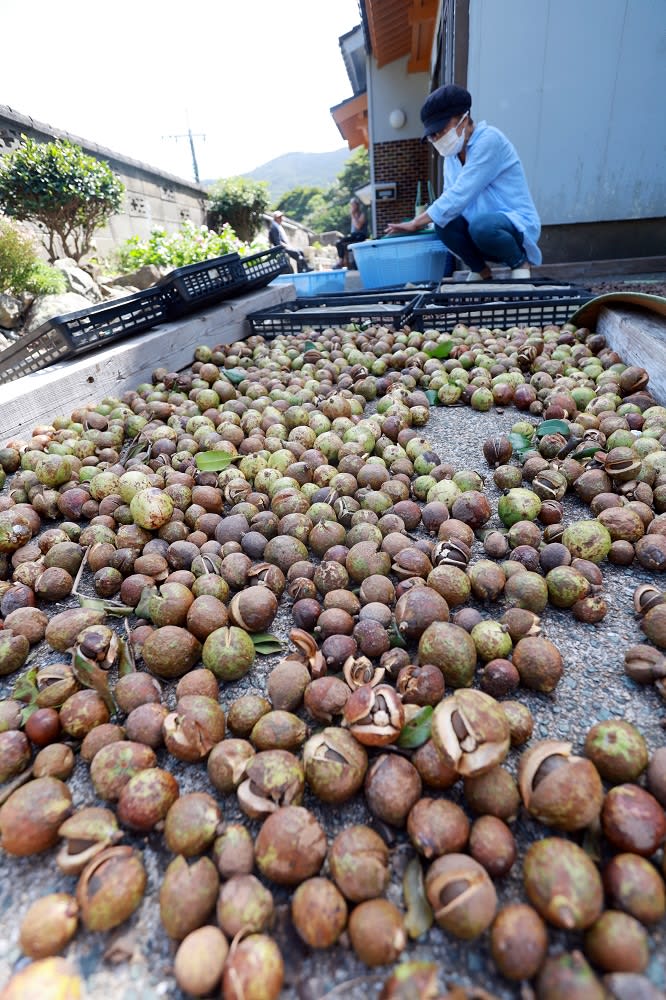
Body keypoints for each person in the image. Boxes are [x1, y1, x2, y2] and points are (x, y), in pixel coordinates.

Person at [386, 84, 541, 281]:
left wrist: (417, 222)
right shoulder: (451, 156)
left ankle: (519, 263)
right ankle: (480, 270)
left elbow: (460, 194)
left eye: (441, 130)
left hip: (511, 227)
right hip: (480, 232)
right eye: (433, 135)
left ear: (463, 119)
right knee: (443, 223)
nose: (437, 138)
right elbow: (448, 203)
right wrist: (427, 221)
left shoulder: (489, 140)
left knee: (481, 226)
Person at [334, 197, 368, 268]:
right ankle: (342, 261)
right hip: (354, 235)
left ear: (357, 205)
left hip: (360, 235)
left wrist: (353, 215)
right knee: (339, 242)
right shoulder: (353, 215)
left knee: (345, 242)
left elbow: (358, 226)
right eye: (351, 205)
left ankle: (344, 262)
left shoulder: (362, 214)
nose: (352, 207)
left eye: (353, 205)